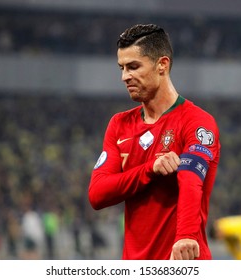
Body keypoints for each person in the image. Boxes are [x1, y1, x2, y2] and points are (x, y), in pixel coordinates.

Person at [88, 23, 221, 260]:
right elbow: (97, 194)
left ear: (162, 65)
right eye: (122, 68)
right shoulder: (119, 124)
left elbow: (190, 180)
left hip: (183, 261)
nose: (124, 76)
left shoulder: (197, 122)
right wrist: (150, 169)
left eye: (133, 66)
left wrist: (186, 236)